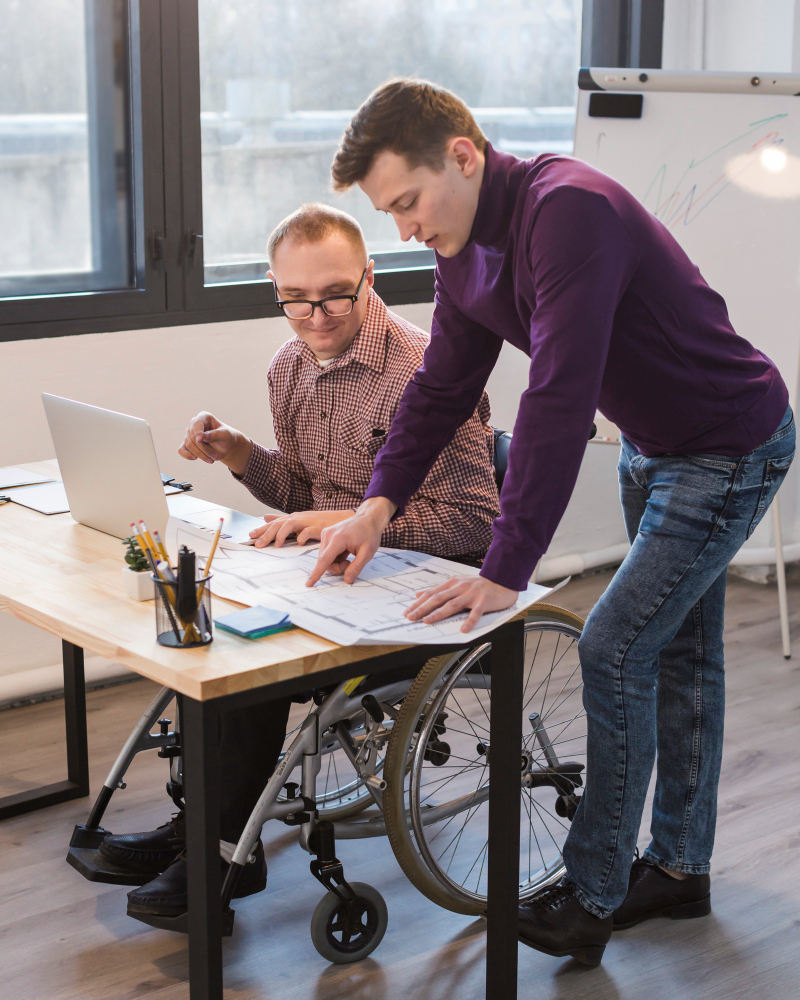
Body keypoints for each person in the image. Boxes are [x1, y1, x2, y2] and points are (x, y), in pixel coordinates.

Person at [308, 79, 795, 965]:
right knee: (678, 651)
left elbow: (559, 398)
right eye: (391, 213)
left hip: (730, 444)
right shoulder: (463, 253)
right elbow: (441, 388)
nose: (405, 229)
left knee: (613, 647)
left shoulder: (569, 211)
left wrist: (507, 565)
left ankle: (595, 890)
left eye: (409, 202)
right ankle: (680, 870)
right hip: (656, 447)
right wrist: (375, 506)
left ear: (463, 155)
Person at [101, 203, 500, 922]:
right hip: (334, 572)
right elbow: (301, 497)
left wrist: (353, 521)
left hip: (423, 586)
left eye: (336, 295)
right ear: (273, 287)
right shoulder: (287, 368)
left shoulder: (426, 370)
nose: (316, 315)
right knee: (209, 628)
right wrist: (242, 456)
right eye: (295, 299)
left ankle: (226, 852)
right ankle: (205, 829)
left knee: (248, 661)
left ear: (370, 277)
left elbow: (478, 521)